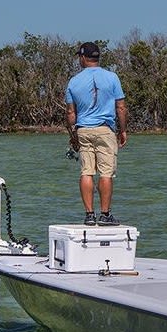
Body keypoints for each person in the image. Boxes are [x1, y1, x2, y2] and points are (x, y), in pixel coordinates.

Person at [65, 41, 128, 225]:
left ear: (83, 58)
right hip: (105, 129)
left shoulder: (74, 81)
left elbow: (70, 113)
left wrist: (73, 135)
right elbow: (121, 107)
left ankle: (89, 215)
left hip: (83, 130)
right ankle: (105, 214)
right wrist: (122, 130)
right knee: (106, 173)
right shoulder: (112, 77)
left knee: (86, 172)